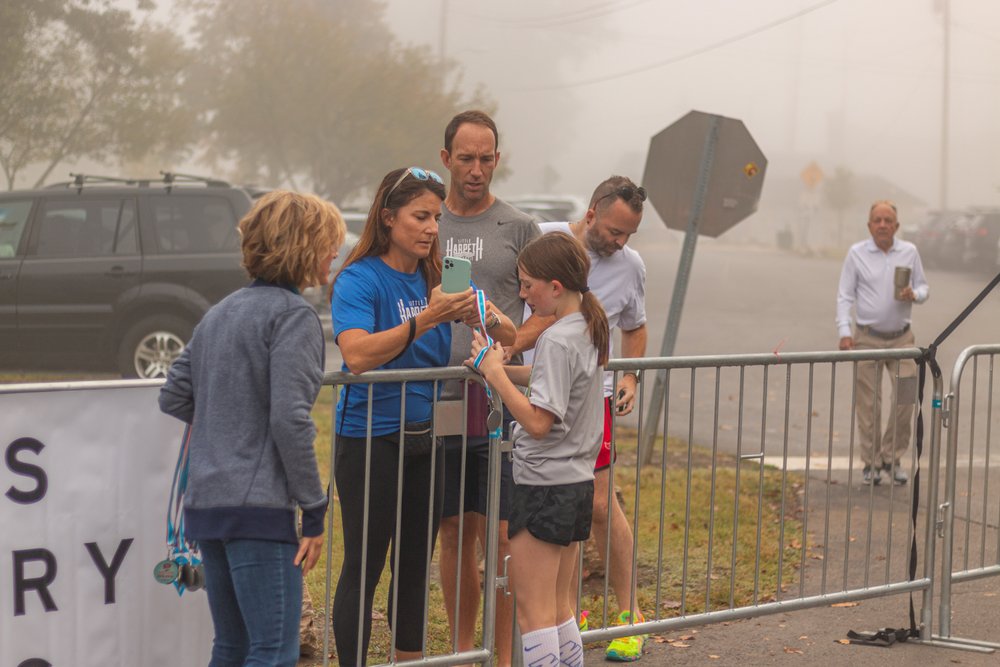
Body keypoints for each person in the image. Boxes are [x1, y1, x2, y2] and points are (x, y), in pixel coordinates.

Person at [158, 190, 345, 667]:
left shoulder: (218, 313)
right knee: (273, 650)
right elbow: (290, 418)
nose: (334, 255)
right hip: (258, 508)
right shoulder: (294, 317)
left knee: (232, 646)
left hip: (208, 504)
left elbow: (174, 394)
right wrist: (316, 509)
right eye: (329, 243)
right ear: (303, 246)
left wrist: (227, 421)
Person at [330, 167, 481, 666]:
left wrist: (484, 316)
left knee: (415, 566)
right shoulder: (359, 278)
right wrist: (425, 320)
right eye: (420, 216)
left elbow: (504, 331)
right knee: (365, 564)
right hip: (370, 439)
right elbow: (357, 355)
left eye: (436, 217)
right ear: (388, 217)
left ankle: (408, 660)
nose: (432, 228)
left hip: (426, 435)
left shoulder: (436, 277)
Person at [510, 175, 649, 662]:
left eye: (629, 234)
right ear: (591, 213)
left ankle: (629, 614)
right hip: (558, 410)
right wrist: (507, 357)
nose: (620, 242)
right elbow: (529, 321)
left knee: (598, 505)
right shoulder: (545, 240)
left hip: (576, 419)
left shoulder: (627, 270)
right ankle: (569, 619)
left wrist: (629, 381)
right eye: (614, 230)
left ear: (554, 286)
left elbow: (635, 326)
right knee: (555, 595)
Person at [467, 232, 609, 667]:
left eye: (527, 284)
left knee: (534, 614)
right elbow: (557, 383)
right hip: (575, 485)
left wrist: (495, 374)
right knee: (560, 607)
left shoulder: (557, 339)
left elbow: (538, 422)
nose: (523, 294)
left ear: (555, 286)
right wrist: (505, 368)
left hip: (544, 485)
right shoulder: (586, 327)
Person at [436, 109, 540, 665]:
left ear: (497, 159)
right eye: (466, 159)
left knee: (502, 537)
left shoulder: (520, 227)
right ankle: (459, 651)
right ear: (446, 158)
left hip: (501, 401)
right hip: (445, 399)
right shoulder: (431, 223)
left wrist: (515, 346)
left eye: (487, 159)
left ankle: (502, 657)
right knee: (455, 531)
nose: (477, 170)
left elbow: (546, 307)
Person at [837, 200, 929, 485]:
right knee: (868, 405)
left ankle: (892, 457)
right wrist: (845, 330)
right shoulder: (857, 253)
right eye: (877, 220)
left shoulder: (909, 252)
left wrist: (916, 294)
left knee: (904, 400)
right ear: (869, 225)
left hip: (902, 339)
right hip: (867, 338)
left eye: (888, 220)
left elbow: (924, 287)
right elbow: (845, 294)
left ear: (896, 226)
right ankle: (871, 463)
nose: (883, 225)